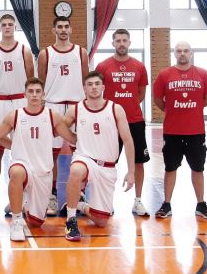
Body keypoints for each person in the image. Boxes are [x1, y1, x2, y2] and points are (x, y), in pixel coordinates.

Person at [0, 78, 78, 242]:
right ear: (25, 94)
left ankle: (21, 203)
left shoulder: (52, 116)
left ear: (43, 94)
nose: (34, 95)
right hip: (22, 165)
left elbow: (71, 138)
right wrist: (13, 145)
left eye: (38, 92)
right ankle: (16, 221)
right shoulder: (15, 115)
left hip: (43, 173)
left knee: (36, 223)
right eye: (31, 91)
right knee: (16, 172)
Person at [63, 71, 135, 241]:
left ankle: (80, 205)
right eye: (90, 84)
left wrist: (131, 172)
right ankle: (71, 220)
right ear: (84, 89)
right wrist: (73, 139)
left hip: (107, 166)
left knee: (101, 222)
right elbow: (59, 127)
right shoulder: (76, 109)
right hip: (85, 158)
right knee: (76, 171)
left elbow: (128, 140)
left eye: (97, 84)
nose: (94, 87)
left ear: (103, 87)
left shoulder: (115, 109)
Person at [152, 42, 207, 219]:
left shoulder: (202, 74)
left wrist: (193, 109)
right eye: (179, 51)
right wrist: (172, 110)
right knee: (170, 168)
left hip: (196, 131)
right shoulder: (165, 74)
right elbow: (158, 99)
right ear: (174, 54)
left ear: (191, 53)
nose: (182, 54)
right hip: (172, 131)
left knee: (198, 168)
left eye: (186, 51)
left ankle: (201, 204)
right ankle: (166, 204)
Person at [0, 14, 34, 216]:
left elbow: (30, 79)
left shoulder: (24, 50)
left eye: (10, 24)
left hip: (20, 101)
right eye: (3, 24)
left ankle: (22, 196)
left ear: (15, 27)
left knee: (23, 151)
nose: (7, 27)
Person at [95, 29, 150, 217]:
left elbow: (141, 94)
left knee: (139, 162)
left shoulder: (139, 66)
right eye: (118, 40)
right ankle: (106, 202)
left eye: (124, 40)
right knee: (108, 162)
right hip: (110, 121)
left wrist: (128, 105)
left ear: (129, 43)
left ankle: (138, 201)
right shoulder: (103, 66)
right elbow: (97, 91)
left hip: (135, 120)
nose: (121, 43)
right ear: (113, 43)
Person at [37, 15, 87, 216]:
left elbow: (86, 80)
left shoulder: (80, 52)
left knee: (82, 151)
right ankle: (51, 194)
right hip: (53, 105)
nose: (64, 30)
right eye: (60, 27)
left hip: (76, 105)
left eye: (67, 26)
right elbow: (40, 83)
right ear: (54, 30)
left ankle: (80, 193)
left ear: (71, 29)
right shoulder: (46, 54)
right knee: (51, 153)